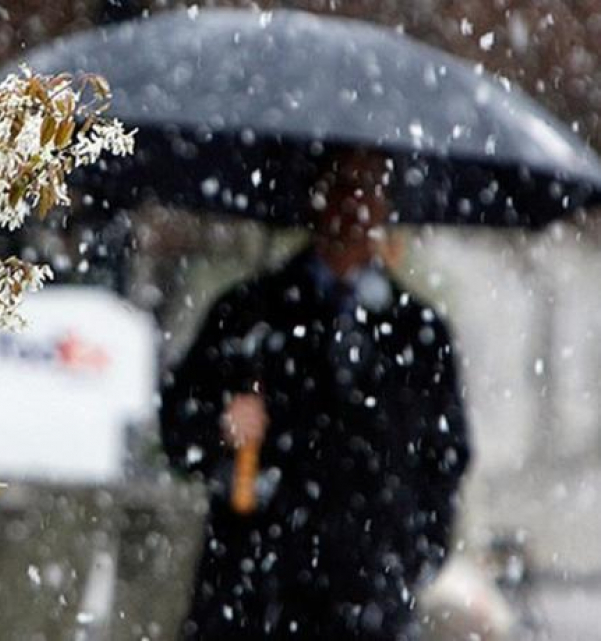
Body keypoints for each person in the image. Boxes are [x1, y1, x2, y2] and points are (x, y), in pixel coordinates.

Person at [160, 151, 471, 640]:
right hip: (252, 591)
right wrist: (221, 425)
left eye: (369, 187)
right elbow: (178, 430)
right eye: (342, 185)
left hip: (370, 595)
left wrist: (412, 555)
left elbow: (446, 456)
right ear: (314, 197)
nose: (354, 203)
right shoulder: (246, 314)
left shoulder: (419, 333)